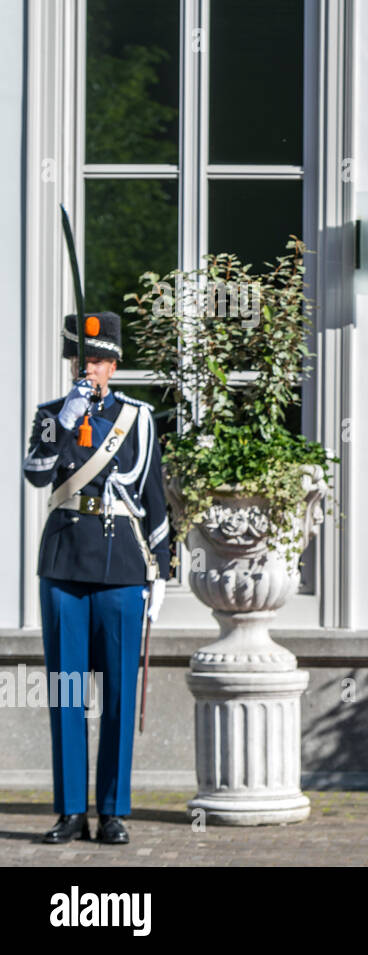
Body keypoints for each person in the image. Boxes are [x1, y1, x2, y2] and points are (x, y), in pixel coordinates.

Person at [22, 311, 170, 846]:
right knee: (67, 692)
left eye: (104, 361)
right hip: (63, 561)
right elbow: (37, 474)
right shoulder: (49, 415)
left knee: (118, 694)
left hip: (122, 563)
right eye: (87, 361)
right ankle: (69, 811)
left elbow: (154, 496)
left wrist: (161, 574)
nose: (95, 370)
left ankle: (112, 810)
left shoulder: (140, 417)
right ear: (74, 364)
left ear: (115, 364)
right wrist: (67, 420)